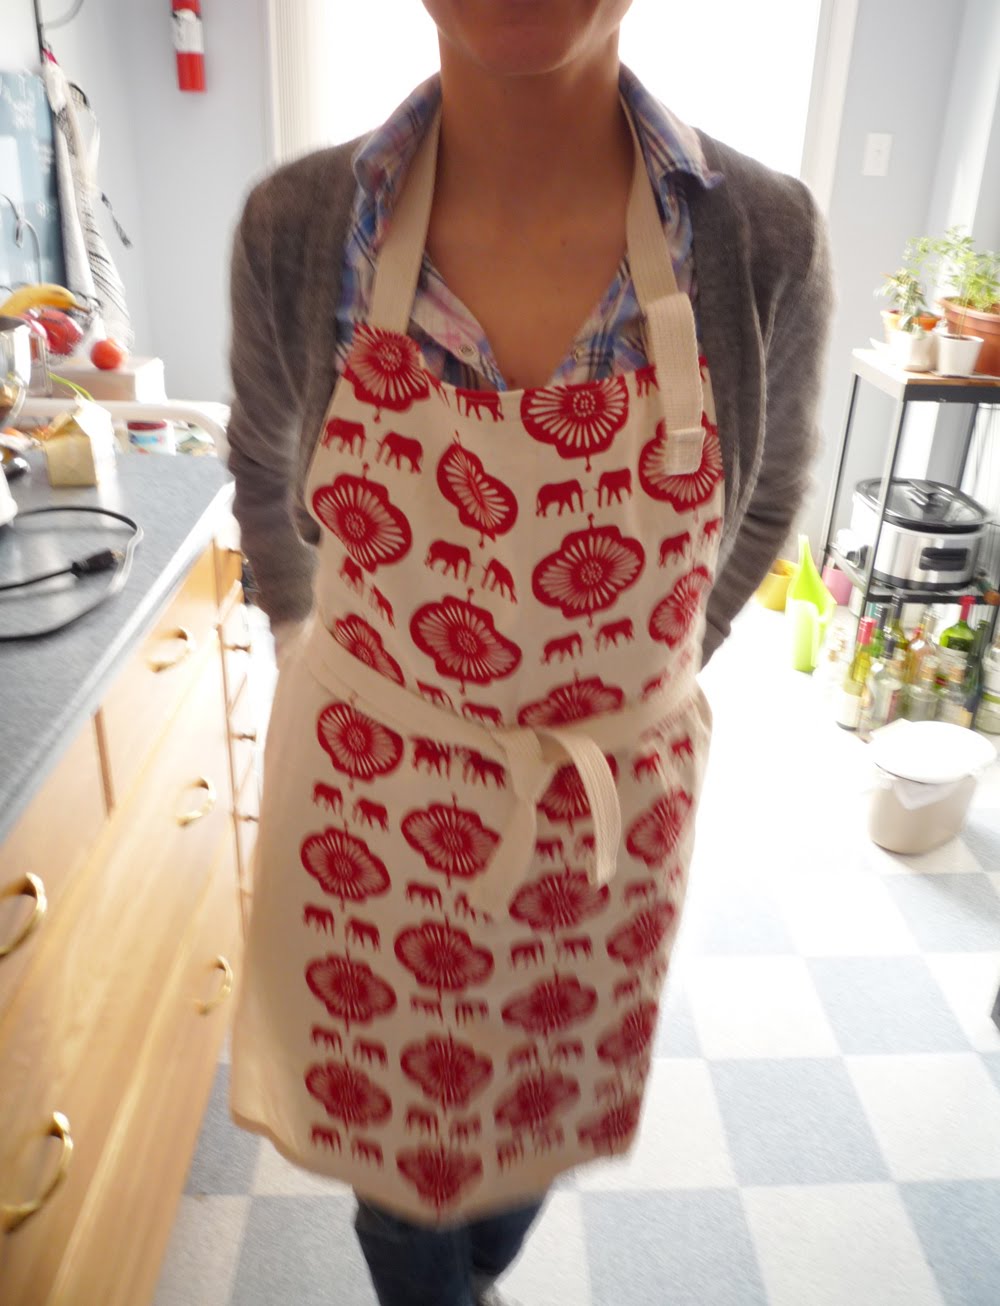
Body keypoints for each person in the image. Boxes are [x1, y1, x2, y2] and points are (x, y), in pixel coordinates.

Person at [225, 3, 833, 1304]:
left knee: (526, 1131)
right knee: (401, 1187)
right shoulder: (299, 226)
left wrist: (656, 677)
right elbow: (263, 463)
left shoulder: (763, 237)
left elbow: (769, 489)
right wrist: (300, 643)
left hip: (603, 815)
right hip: (377, 814)